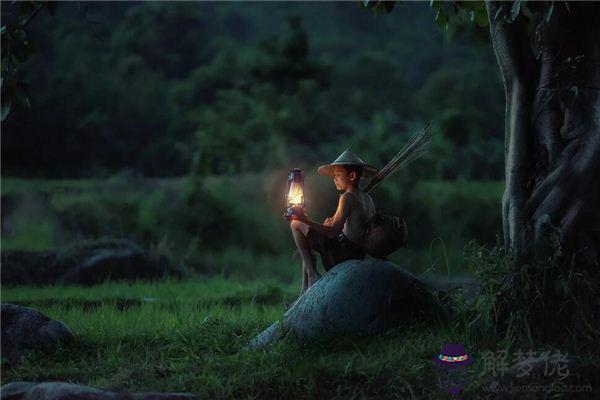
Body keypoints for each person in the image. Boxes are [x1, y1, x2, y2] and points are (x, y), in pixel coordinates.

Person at [289, 149, 378, 301]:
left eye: (338, 175)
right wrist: (329, 225)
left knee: (295, 224)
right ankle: (304, 290)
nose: (334, 179)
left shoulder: (347, 197)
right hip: (357, 253)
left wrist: (304, 219)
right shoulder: (367, 198)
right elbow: (354, 229)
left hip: (342, 254)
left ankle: (313, 275)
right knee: (308, 247)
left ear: (351, 176)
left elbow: (332, 233)